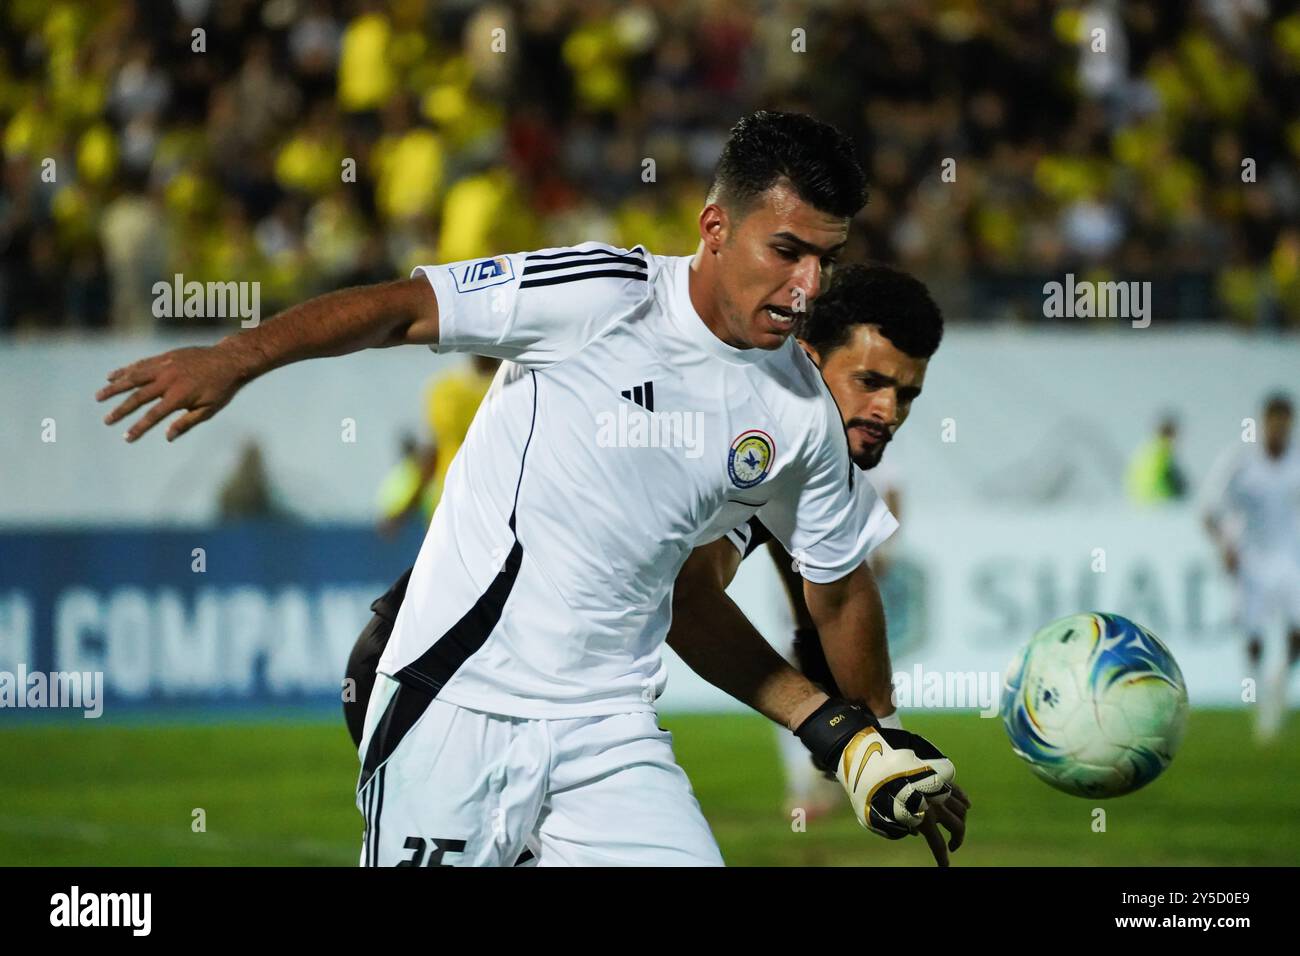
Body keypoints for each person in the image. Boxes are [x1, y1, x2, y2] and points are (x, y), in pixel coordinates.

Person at [97, 110, 959, 866]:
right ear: (714, 227)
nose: (808, 286)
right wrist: (233, 358)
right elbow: (404, 307)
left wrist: (870, 741)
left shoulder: (803, 412)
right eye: (788, 251)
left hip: (609, 732)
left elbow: (838, 590)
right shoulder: (599, 295)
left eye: (826, 260)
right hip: (455, 702)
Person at [1201, 393, 1300, 744]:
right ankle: (1258, 689)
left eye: (1285, 423)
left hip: (1290, 559)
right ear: (1263, 423)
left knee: (1296, 631)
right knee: (1253, 634)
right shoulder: (1240, 462)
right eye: (1274, 422)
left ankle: (1280, 684)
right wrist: (1225, 546)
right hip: (1251, 561)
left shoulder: (1296, 464)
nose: (1279, 430)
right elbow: (1209, 510)